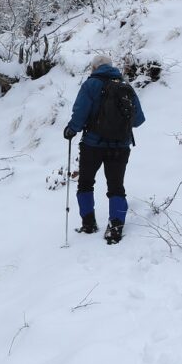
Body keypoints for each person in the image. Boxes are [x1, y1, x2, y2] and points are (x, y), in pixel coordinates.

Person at [62, 55, 145, 244]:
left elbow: (80, 113)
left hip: (93, 144)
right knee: (116, 186)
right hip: (121, 146)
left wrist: (71, 130)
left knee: (85, 183)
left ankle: (88, 224)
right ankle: (115, 228)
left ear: (94, 67)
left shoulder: (90, 85)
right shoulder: (126, 87)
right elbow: (138, 120)